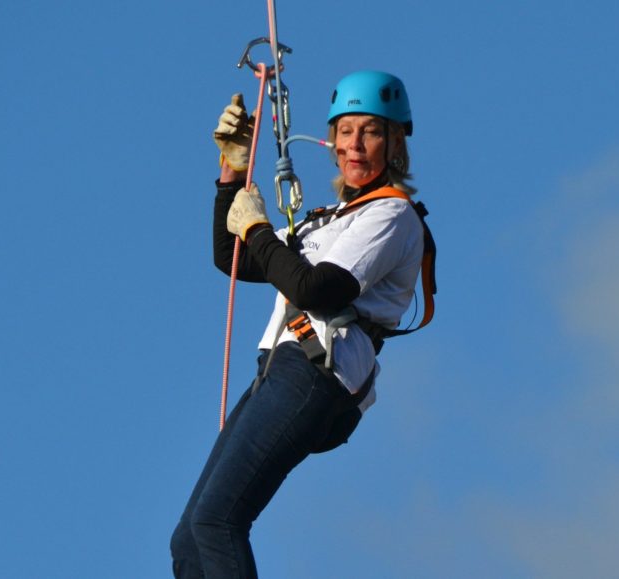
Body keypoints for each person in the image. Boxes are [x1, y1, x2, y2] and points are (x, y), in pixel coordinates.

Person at [170, 70, 425, 578]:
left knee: (217, 521)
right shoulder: (327, 220)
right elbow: (235, 258)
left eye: (370, 131)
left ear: (395, 141)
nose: (355, 145)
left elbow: (317, 289)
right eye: (346, 131)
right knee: (189, 537)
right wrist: (232, 175)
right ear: (331, 140)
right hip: (282, 368)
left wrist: (259, 226)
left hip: (315, 371)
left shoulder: (391, 217)